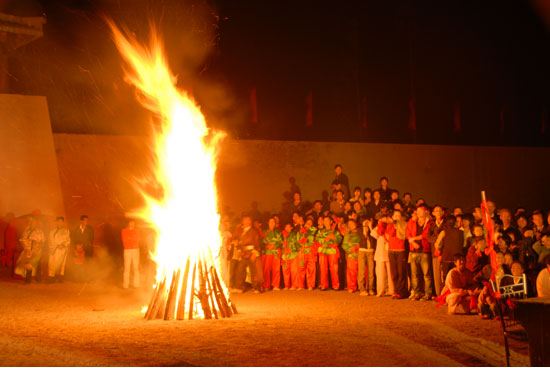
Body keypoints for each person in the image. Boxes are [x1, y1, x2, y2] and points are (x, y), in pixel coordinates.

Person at [406, 204, 433, 300]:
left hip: (425, 251)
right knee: (414, 274)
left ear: (426, 212)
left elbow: (425, 235)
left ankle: (428, 293)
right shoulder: (412, 221)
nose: (418, 213)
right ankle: (416, 292)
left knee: (426, 274)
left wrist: (413, 239)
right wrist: (413, 243)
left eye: (420, 211)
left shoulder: (429, 222)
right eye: (417, 211)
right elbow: (407, 233)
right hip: (414, 251)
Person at [233, 215, 263, 294]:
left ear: (250, 222)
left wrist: (254, 253)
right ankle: (239, 287)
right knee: (240, 270)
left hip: (251, 253)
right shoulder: (241, 231)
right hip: (243, 253)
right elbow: (238, 242)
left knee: (254, 271)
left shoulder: (254, 231)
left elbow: (257, 243)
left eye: (248, 220)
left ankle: (257, 287)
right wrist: (239, 251)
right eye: (245, 220)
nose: (246, 221)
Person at [435, 216, 465, 283]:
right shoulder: (461, 232)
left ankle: (447, 292)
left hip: (446, 258)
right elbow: (464, 244)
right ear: (455, 223)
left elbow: (437, 244)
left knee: (446, 278)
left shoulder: (444, 232)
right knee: (457, 277)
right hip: (457, 259)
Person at [15, 217, 45, 283]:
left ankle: (38, 279)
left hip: (37, 250)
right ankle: (28, 280)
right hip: (27, 250)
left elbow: (42, 241)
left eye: (33, 222)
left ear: (36, 223)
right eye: (31, 222)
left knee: (38, 264)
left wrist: (37, 245)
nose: (32, 224)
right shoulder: (27, 230)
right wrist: (24, 246)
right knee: (28, 264)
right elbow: (22, 239)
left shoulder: (39, 231)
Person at [386, 210, 408, 299]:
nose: (396, 217)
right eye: (395, 215)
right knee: (394, 273)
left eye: (398, 215)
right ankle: (396, 290)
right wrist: (394, 225)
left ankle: (401, 291)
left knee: (401, 272)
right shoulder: (390, 225)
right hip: (391, 250)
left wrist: (398, 225)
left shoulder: (404, 225)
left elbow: (402, 235)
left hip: (400, 250)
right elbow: (390, 234)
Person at [316, 216, 342, 291]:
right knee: (323, 268)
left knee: (334, 268)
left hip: (332, 250)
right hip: (323, 250)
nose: (325, 222)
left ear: (331, 222)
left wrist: (333, 238)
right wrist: (324, 239)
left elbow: (339, 239)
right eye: (324, 220)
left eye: (327, 220)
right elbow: (317, 239)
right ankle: (324, 285)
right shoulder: (321, 231)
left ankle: (336, 285)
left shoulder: (335, 231)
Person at [371, 216, 394, 297]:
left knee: (390, 272)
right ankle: (380, 290)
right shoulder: (379, 227)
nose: (384, 220)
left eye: (386, 219)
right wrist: (379, 225)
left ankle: (391, 290)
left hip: (389, 251)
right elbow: (373, 234)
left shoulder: (392, 227)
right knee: (380, 272)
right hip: (380, 252)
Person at [427, 205, 445, 296]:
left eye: (439, 210)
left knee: (444, 274)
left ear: (442, 212)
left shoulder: (446, 224)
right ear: (433, 213)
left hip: (444, 252)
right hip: (435, 251)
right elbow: (428, 237)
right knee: (436, 274)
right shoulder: (432, 225)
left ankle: (444, 293)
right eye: (436, 211)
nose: (438, 212)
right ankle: (438, 294)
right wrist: (438, 239)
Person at [261, 217, 283, 291]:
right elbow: (261, 241)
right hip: (267, 252)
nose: (272, 223)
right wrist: (267, 246)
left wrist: (274, 246)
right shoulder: (264, 232)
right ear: (268, 223)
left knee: (276, 269)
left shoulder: (278, 232)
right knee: (266, 269)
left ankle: (275, 285)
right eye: (270, 222)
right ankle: (266, 285)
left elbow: (280, 242)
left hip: (275, 252)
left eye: (273, 222)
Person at [47, 216, 70, 283]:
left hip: (62, 250)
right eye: (58, 222)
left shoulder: (66, 231)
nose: (60, 223)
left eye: (61, 222)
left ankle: (60, 278)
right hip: (53, 249)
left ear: (63, 222)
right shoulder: (52, 231)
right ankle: (51, 278)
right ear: (56, 222)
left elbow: (68, 240)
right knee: (51, 263)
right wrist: (54, 246)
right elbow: (50, 241)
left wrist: (62, 245)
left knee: (60, 263)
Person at [71, 215, 94, 280]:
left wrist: (85, 245)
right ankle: (80, 278)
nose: (86, 222)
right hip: (79, 250)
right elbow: (74, 239)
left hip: (87, 249)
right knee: (79, 265)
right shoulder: (77, 229)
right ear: (81, 221)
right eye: (85, 220)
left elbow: (91, 239)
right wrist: (77, 248)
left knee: (88, 264)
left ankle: (88, 278)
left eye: (87, 220)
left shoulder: (90, 229)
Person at [342, 219, 361, 293]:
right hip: (351, 254)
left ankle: (362, 286)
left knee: (362, 271)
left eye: (352, 223)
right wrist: (350, 249)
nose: (350, 225)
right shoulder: (348, 234)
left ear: (355, 224)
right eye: (348, 224)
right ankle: (351, 287)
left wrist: (358, 247)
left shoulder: (360, 232)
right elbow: (344, 245)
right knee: (351, 271)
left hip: (360, 253)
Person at [358, 218, 376, 296]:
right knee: (361, 271)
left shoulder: (372, 230)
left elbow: (375, 237)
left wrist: (371, 228)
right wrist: (364, 230)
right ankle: (362, 289)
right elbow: (361, 239)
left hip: (370, 251)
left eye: (367, 222)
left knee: (371, 271)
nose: (366, 224)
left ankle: (370, 288)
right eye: (365, 222)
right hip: (362, 250)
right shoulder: (359, 230)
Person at [121, 219, 140, 289]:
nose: (132, 224)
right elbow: (124, 240)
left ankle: (136, 284)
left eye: (133, 223)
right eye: (131, 223)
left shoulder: (137, 231)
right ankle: (125, 285)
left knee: (136, 268)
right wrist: (131, 238)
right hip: (127, 250)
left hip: (135, 250)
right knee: (127, 268)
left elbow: (137, 239)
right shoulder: (124, 230)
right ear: (128, 223)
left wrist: (130, 238)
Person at [281, 223, 297, 290]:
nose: (287, 228)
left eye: (289, 227)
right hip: (285, 255)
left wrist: (290, 250)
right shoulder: (282, 235)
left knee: (293, 271)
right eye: (286, 227)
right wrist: (283, 251)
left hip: (292, 254)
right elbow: (280, 244)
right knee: (285, 270)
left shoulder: (293, 235)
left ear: (291, 228)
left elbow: (295, 243)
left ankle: (294, 285)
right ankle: (287, 285)